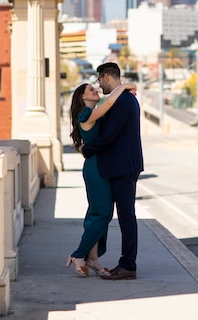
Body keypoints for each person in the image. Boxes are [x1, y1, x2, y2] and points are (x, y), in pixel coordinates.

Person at [66, 79, 137, 277]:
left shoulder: (92, 114)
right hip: (96, 168)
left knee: (97, 213)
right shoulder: (86, 113)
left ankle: (94, 260)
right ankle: (78, 255)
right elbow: (108, 104)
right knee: (103, 213)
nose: (95, 90)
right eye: (91, 89)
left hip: (100, 165)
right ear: (83, 97)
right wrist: (122, 87)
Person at [82, 62, 144, 280]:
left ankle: (128, 266)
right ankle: (126, 264)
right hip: (123, 166)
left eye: (99, 80)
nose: (99, 84)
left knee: (127, 216)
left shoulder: (123, 102)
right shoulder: (124, 98)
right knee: (125, 216)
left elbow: (109, 136)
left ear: (107, 77)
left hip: (123, 167)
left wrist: (86, 149)